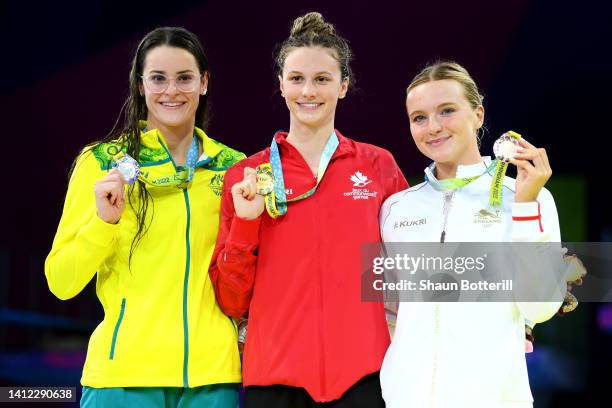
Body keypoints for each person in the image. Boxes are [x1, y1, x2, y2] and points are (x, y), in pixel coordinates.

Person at [209, 12, 407, 408]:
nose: (308, 91)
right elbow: (231, 301)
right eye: (297, 78)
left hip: (366, 376)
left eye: (322, 79)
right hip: (275, 380)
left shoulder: (376, 166)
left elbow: (413, 267)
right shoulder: (246, 176)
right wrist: (246, 226)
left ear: (344, 86)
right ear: (280, 85)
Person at [45, 27, 244, 407]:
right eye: (158, 78)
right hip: (124, 378)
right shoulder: (102, 164)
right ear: (140, 85)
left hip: (212, 381)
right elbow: (61, 281)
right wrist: (103, 223)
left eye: (184, 78)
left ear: (203, 83)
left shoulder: (233, 169)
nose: (172, 91)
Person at [379, 61, 567, 408]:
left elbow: (540, 307)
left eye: (446, 111)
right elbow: (389, 314)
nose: (432, 127)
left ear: (478, 114)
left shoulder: (528, 196)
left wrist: (526, 206)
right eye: (419, 117)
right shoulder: (396, 209)